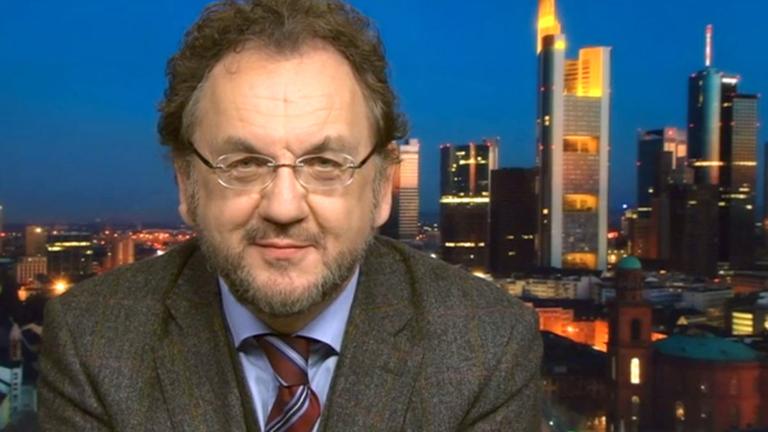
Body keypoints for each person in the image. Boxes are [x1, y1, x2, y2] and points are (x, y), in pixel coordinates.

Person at [38, 0, 542, 430]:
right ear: (186, 185)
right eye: (243, 164)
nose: (283, 207)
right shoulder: (92, 340)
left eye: (325, 164)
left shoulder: (487, 343)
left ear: (383, 187)